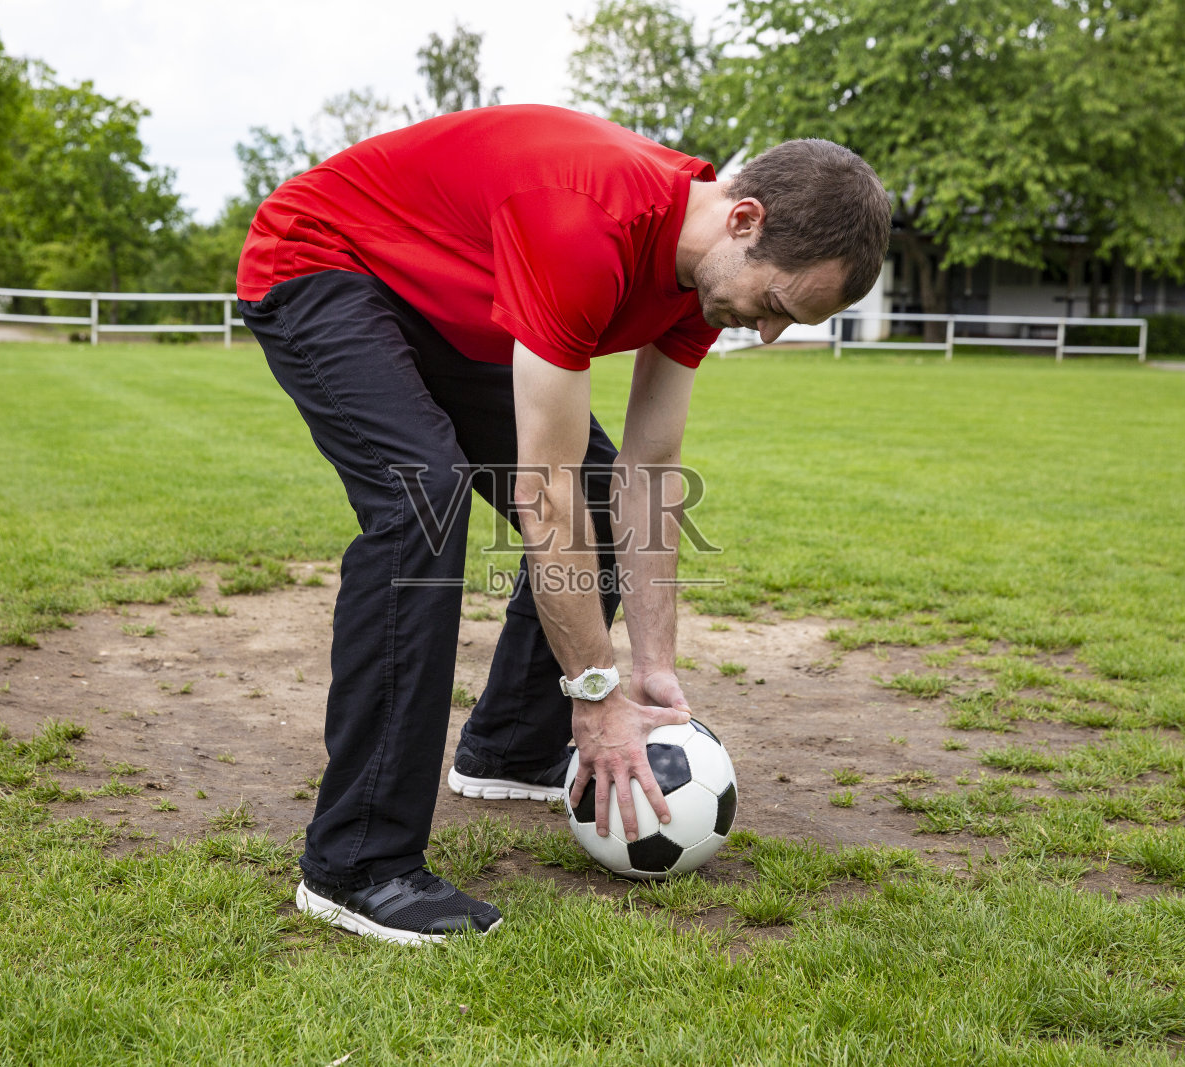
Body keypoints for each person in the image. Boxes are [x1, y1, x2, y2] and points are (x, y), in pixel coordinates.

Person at [236, 104, 889, 944]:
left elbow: (647, 479)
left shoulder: (703, 280)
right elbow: (542, 492)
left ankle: (508, 747)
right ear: (744, 219)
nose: (766, 332)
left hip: (447, 309)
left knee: (602, 501)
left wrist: (650, 670)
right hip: (323, 258)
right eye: (776, 304)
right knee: (420, 505)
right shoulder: (587, 223)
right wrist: (592, 687)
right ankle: (357, 864)